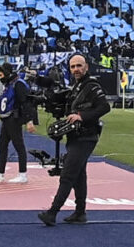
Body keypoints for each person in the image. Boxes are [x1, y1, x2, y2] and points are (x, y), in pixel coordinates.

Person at [38, 52, 108, 228]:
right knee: (79, 175)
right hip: (75, 136)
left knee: (68, 174)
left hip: (86, 136)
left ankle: (52, 212)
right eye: (72, 66)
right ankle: (80, 212)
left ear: (86, 67)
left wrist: (81, 116)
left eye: (79, 66)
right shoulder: (76, 87)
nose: (76, 69)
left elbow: (104, 107)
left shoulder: (91, 86)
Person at [0, 63, 33, 183]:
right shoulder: (8, 85)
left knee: (19, 146)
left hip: (14, 119)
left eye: (1, 75)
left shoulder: (18, 84)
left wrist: (29, 120)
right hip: (7, 119)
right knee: (2, 145)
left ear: (7, 73)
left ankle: (22, 174)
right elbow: (3, 102)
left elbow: (25, 102)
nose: (0, 78)